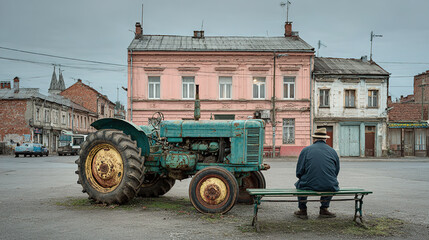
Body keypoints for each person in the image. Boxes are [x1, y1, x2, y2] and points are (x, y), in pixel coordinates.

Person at [294, 128, 340, 219]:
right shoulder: (333, 151)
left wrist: (302, 177)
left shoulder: (306, 150)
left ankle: (303, 210)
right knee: (329, 182)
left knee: (299, 184)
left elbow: (299, 171)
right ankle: (324, 209)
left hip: (309, 184)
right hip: (330, 185)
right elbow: (336, 171)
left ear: (314, 139)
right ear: (325, 139)